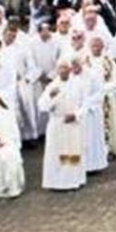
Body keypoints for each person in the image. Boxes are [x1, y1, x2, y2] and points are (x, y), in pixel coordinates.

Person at [38, 59, 86, 191]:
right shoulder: (52, 86)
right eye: (60, 68)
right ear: (57, 70)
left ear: (70, 69)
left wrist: (76, 115)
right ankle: (56, 181)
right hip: (57, 123)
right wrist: (50, 97)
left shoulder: (79, 84)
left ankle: (72, 180)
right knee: (56, 153)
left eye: (66, 68)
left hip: (72, 123)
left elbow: (85, 104)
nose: (63, 71)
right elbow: (42, 106)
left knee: (72, 152)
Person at [0, 95, 23, 198]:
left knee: (7, 155)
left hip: (7, 143)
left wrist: (4, 142)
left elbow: (13, 133)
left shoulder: (7, 114)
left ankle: (11, 186)